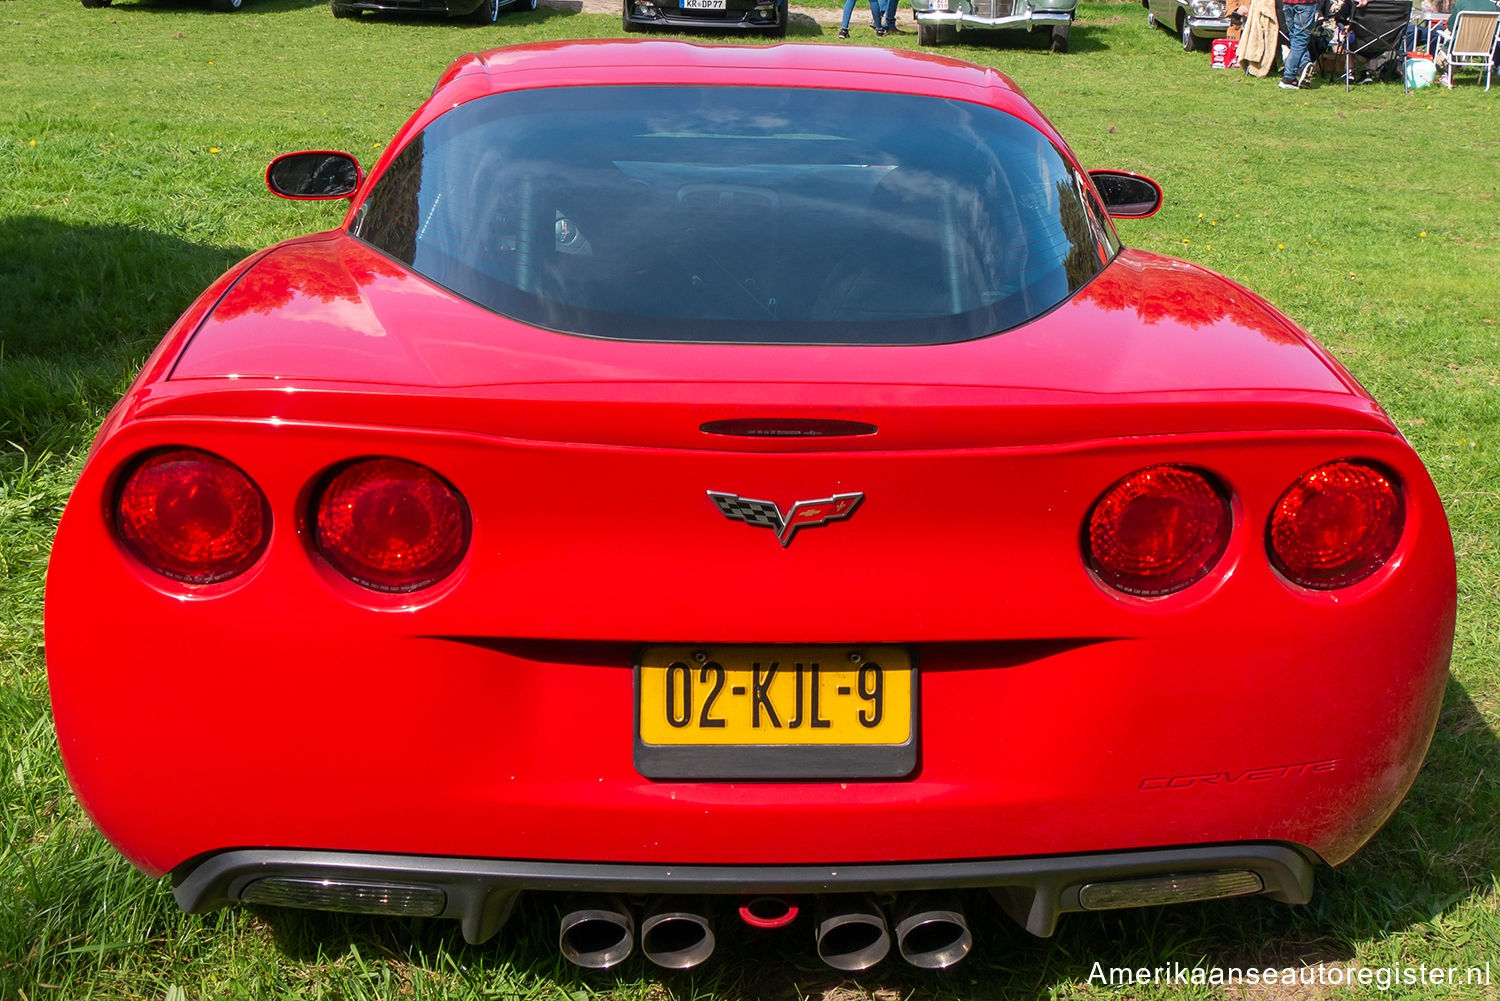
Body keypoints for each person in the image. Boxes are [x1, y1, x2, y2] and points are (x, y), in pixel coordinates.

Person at [1280, 0, 1322, 88]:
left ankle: (1304, 65)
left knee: (1295, 38)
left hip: (1287, 3)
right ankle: (1288, 77)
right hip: (1305, 4)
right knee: (1300, 39)